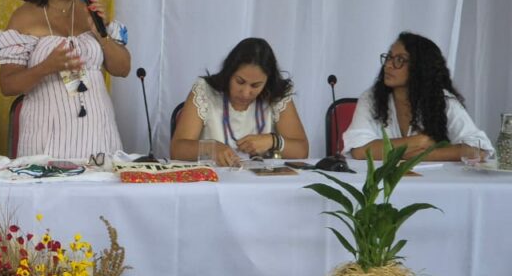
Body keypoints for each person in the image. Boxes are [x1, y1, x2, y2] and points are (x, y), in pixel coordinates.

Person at [0, 0, 131, 158]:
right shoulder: (24, 18)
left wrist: (101, 35)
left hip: (99, 135)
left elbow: (123, 69)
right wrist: (46, 67)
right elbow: (7, 85)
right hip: (47, 141)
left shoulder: (89, 10)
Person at [343, 31, 493, 161]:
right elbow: (359, 150)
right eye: (389, 57)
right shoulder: (371, 98)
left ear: (420, 68)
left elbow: (478, 149)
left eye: (399, 60)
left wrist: (422, 156)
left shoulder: (443, 100)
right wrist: (419, 141)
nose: (388, 65)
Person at [170, 37, 309, 165]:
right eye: (240, 82)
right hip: (213, 184)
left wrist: (272, 141)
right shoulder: (205, 91)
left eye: (255, 85)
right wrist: (212, 148)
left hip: (263, 186)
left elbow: (302, 151)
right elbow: (177, 149)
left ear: (267, 82)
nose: (246, 93)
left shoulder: (277, 96)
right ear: (229, 73)